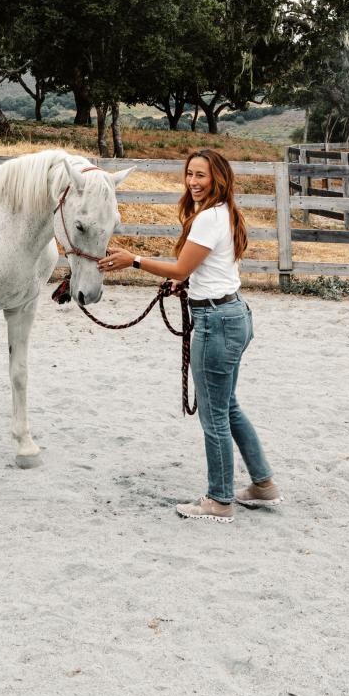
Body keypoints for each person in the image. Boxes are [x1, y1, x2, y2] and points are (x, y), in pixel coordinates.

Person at [99, 148, 281, 523]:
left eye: (201, 175)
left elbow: (182, 264)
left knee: (214, 415)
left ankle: (219, 500)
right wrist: (182, 280)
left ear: (218, 178)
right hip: (233, 314)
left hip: (216, 322)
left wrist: (133, 260)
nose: (193, 182)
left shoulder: (208, 219)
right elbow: (195, 269)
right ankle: (262, 486)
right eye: (190, 175)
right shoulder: (224, 213)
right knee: (228, 406)